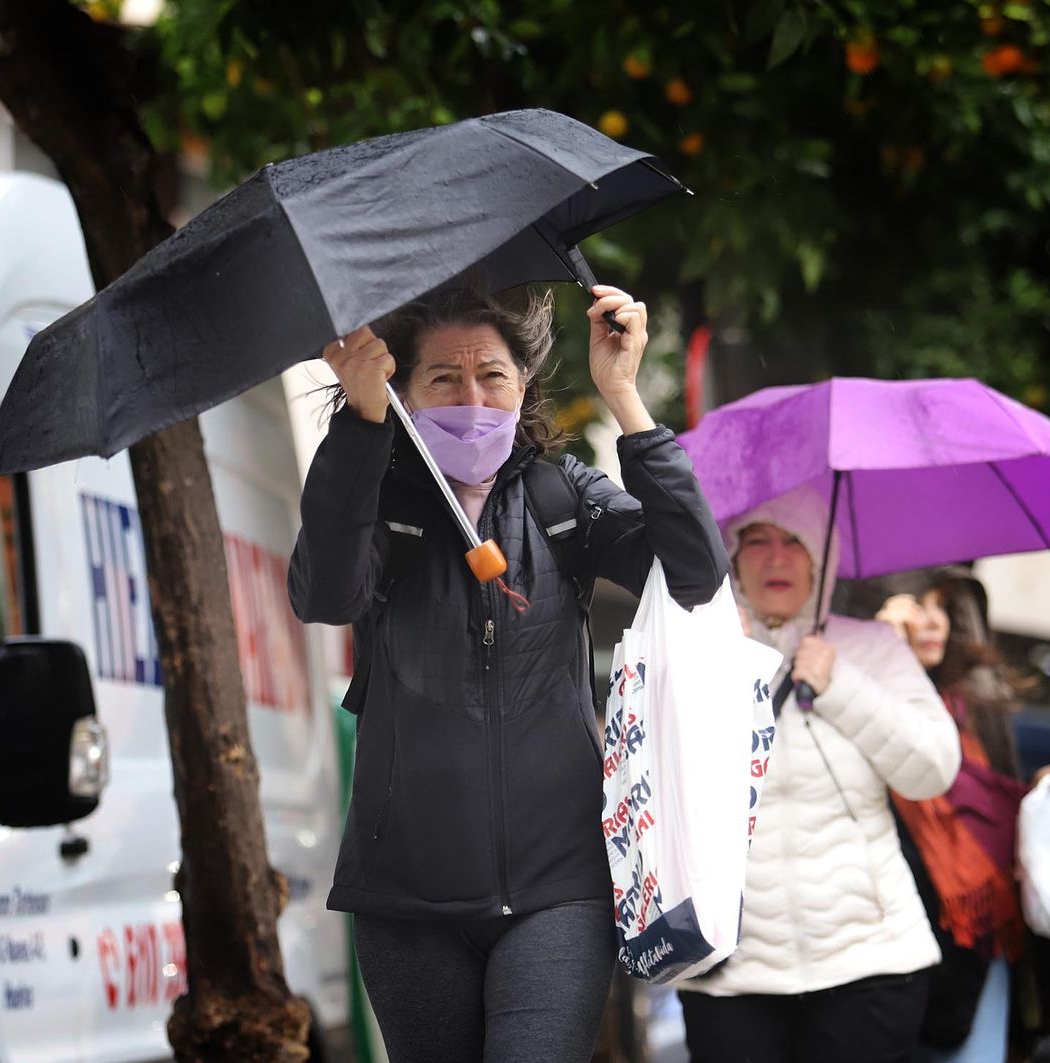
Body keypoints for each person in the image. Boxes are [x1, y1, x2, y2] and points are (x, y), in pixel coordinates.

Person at [288, 283, 728, 1063]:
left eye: (491, 374)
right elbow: (324, 595)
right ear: (404, 392)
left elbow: (695, 571)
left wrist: (624, 395)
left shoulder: (567, 500)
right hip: (407, 897)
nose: (472, 397)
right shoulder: (379, 500)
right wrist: (359, 430)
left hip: (559, 888)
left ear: (523, 383)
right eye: (443, 379)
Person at [674, 489, 961, 1063]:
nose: (776, 559)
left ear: (820, 560)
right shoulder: (690, 645)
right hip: (730, 971)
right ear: (731, 556)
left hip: (871, 962)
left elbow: (934, 769)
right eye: (757, 542)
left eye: (794, 542)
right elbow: (653, 784)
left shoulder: (872, 646)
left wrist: (841, 686)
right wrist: (717, 665)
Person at [853, 568, 1050, 1062]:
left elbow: (997, 816)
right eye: (920, 604)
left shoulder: (975, 714)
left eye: (944, 607)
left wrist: (1044, 802)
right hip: (884, 944)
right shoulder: (856, 696)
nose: (934, 621)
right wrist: (874, 652)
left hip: (980, 946)